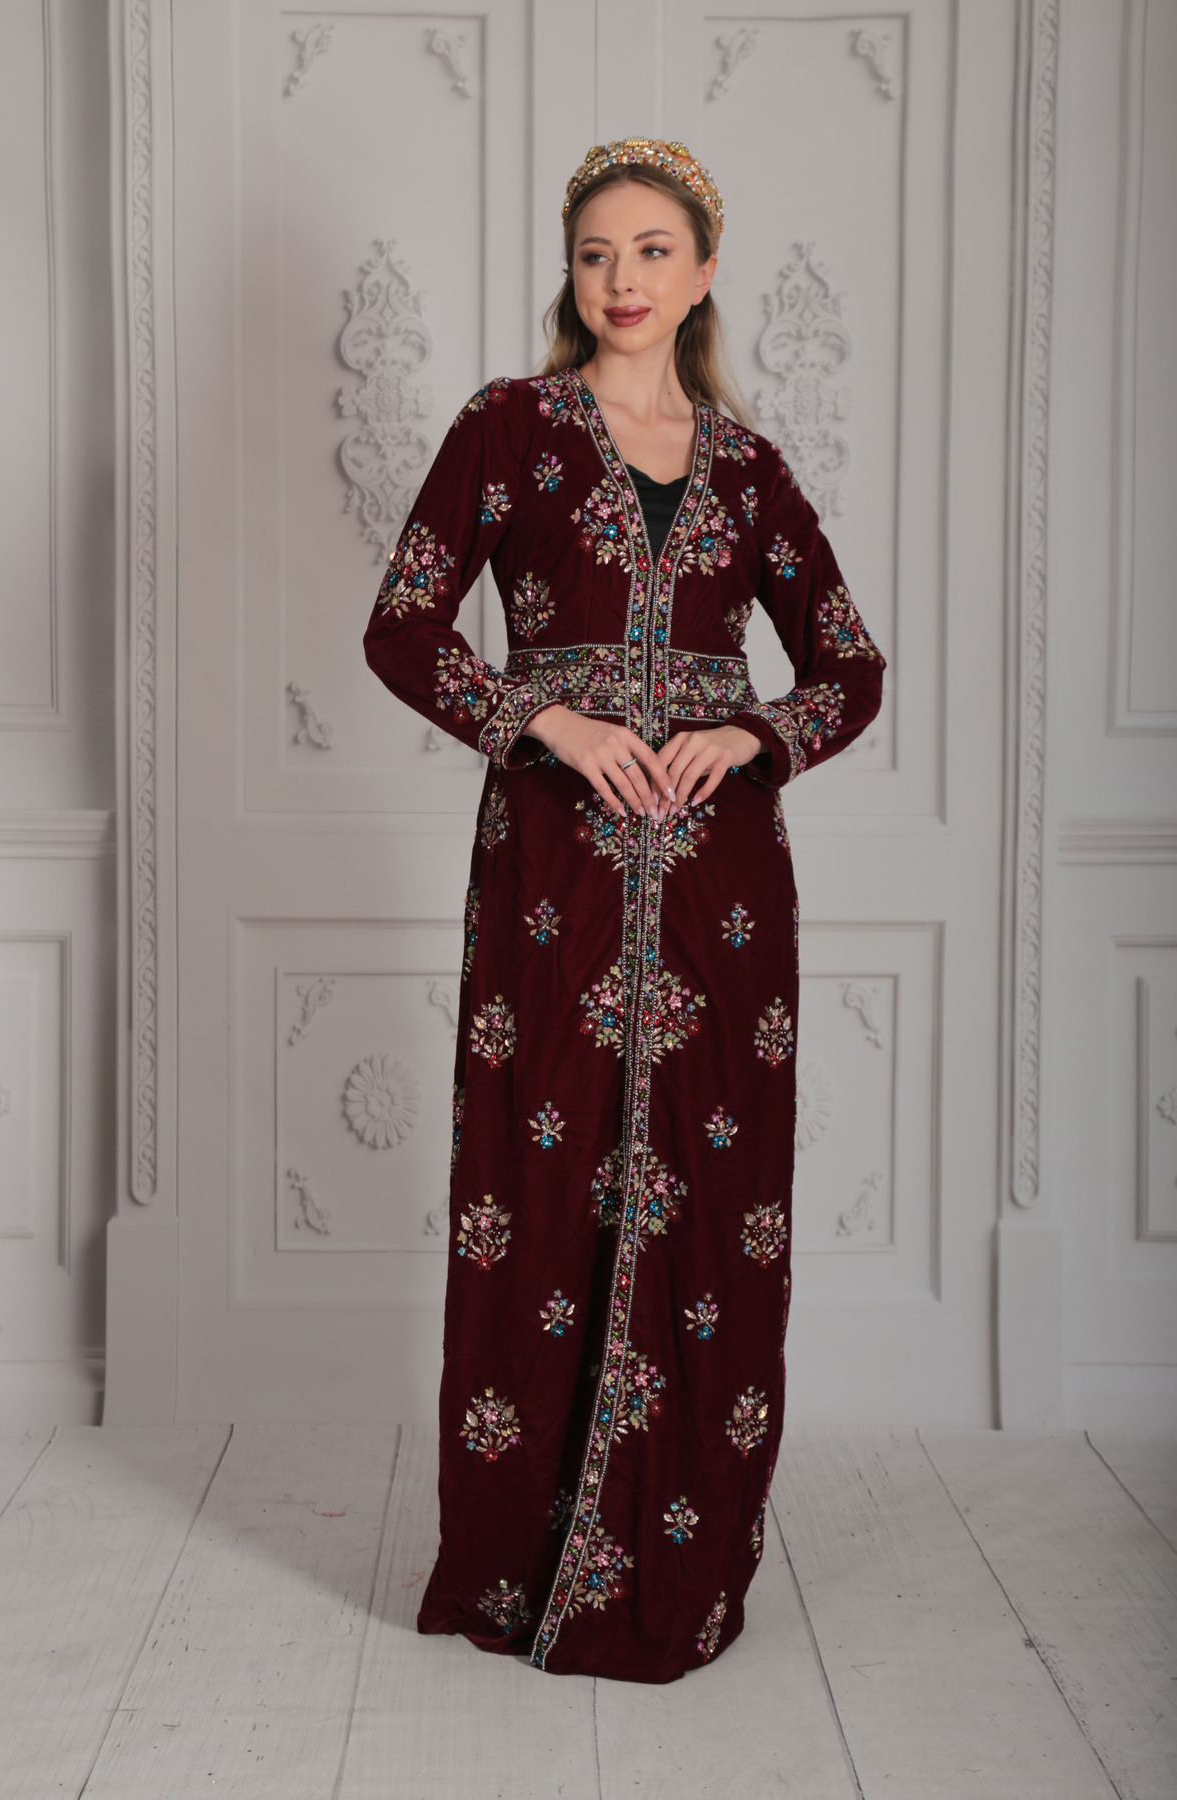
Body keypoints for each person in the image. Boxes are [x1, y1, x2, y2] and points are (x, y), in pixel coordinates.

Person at [363, 138, 885, 1683]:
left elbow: (849, 664)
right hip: (553, 868)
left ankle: (682, 1570)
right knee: (540, 1187)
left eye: (653, 250)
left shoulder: (748, 468)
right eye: (597, 251)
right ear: (570, 269)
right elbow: (402, 629)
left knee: (711, 1203)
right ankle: (517, 1571)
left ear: (703, 272)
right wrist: (548, 721)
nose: (623, 278)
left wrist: (751, 735)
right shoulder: (508, 430)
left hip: (722, 886)